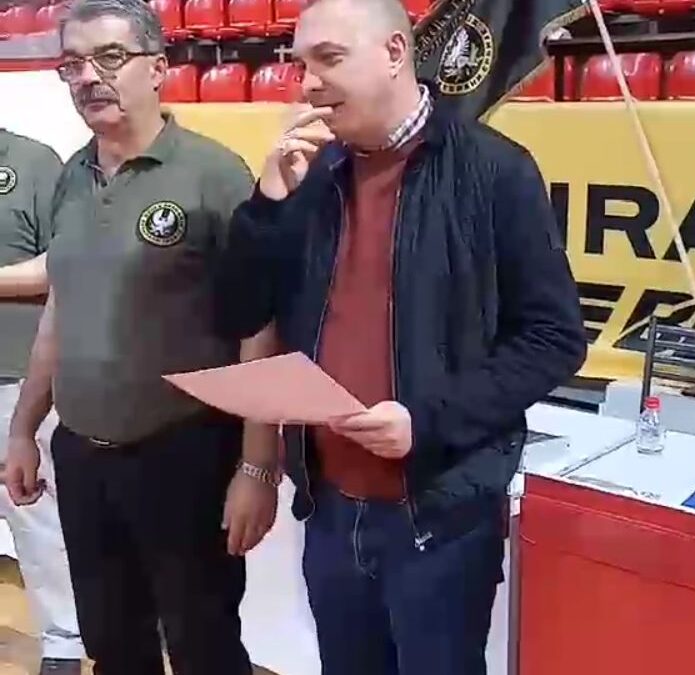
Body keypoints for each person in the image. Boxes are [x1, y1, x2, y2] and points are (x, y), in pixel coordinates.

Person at [216, 0, 588, 673]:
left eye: (329, 59)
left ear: (394, 53)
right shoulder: (310, 174)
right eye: (300, 65)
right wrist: (266, 206)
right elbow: (240, 313)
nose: (308, 84)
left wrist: (427, 420)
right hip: (330, 511)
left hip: (441, 521)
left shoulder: (495, 171)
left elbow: (554, 337)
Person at [4, 1, 278, 673]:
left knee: (203, 644)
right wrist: (24, 427)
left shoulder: (214, 175)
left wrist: (257, 467)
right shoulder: (73, 175)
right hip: (83, 456)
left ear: (158, 68)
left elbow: (259, 325)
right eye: (73, 64)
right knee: (112, 644)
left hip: (184, 454)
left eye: (110, 57)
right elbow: (61, 307)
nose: (88, 77)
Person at [0, 129, 84, 675]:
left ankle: (63, 644)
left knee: (33, 513)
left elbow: (67, 262)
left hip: (13, 376)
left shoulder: (33, 162)